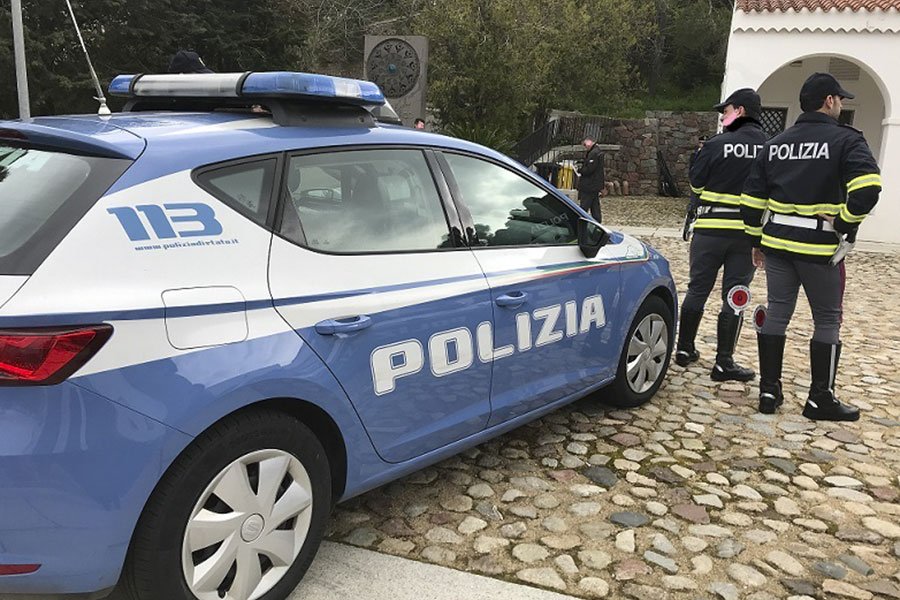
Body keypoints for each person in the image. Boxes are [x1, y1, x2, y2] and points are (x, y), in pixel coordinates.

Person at [741, 72, 881, 421]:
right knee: (828, 319)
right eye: (840, 99)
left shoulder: (776, 143)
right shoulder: (846, 140)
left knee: (777, 312)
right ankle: (820, 399)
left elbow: (751, 199)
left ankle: (768, 392)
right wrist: (846, 221)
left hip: (776, 244)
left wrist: (755, 240)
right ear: (829, 101)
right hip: (820, 248)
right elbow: (868, 189)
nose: (841, 103)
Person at [675, 89, 766, 383]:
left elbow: (696, 184)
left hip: (710, 229)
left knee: (698, 289)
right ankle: (724, 362)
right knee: (735, 295)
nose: (722, 116)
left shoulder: (715, 145)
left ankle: (684, 349)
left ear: (739, 110)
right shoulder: (770, 147)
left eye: (725, 111)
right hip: (746, 233)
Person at [576, 137, 605, 223]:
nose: (585, 147)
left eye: (585, 144)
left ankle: (580, 221)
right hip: (594, 184)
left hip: (589, 184)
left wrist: (580, 170)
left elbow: (589, 169)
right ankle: (597, 221)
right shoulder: (597, 152)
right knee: (594, 205)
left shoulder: (594, 153)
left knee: (585, 205)